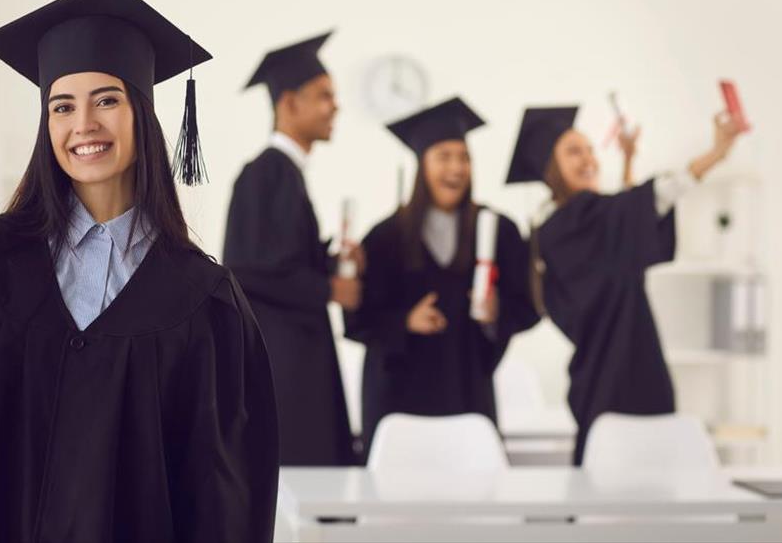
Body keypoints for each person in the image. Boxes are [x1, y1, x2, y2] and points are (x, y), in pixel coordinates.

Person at [0, 0, 279, 542]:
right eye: (62, 106)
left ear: (142, 115)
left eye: (107, 99)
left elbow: (230, 490)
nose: (83, 125)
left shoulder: (204, 298)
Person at [506, 104, 744, 465]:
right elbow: (641, 207)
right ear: (550, 168)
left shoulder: (554, 229)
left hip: (606, 373)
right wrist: (715, 154)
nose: (588, 159)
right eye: (573, 151)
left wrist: (629, 163)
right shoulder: (573, 223)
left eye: (590, 149)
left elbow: (623, 230)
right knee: (636, 481)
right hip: (621, 374)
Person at [346, 97, 538, 455]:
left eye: (464, 157)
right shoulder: (386, 237)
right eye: (444, 157)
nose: (456, 168)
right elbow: (358, 320)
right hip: (398, 395)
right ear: (422, 166)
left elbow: (528, 304)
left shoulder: (498, 230)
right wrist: (405, 321)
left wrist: (496, 313)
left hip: (466, 387)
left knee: (470, 492)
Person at [223, 31, 359, 466]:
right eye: (324, 96)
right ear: (289, 104)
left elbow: (279, 257)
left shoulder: (286, 173)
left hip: (298, 354)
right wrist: (329, 290)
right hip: (285, 363)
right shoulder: (265, 174)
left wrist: (332, 261)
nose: (335, 107)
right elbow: (247, 270)